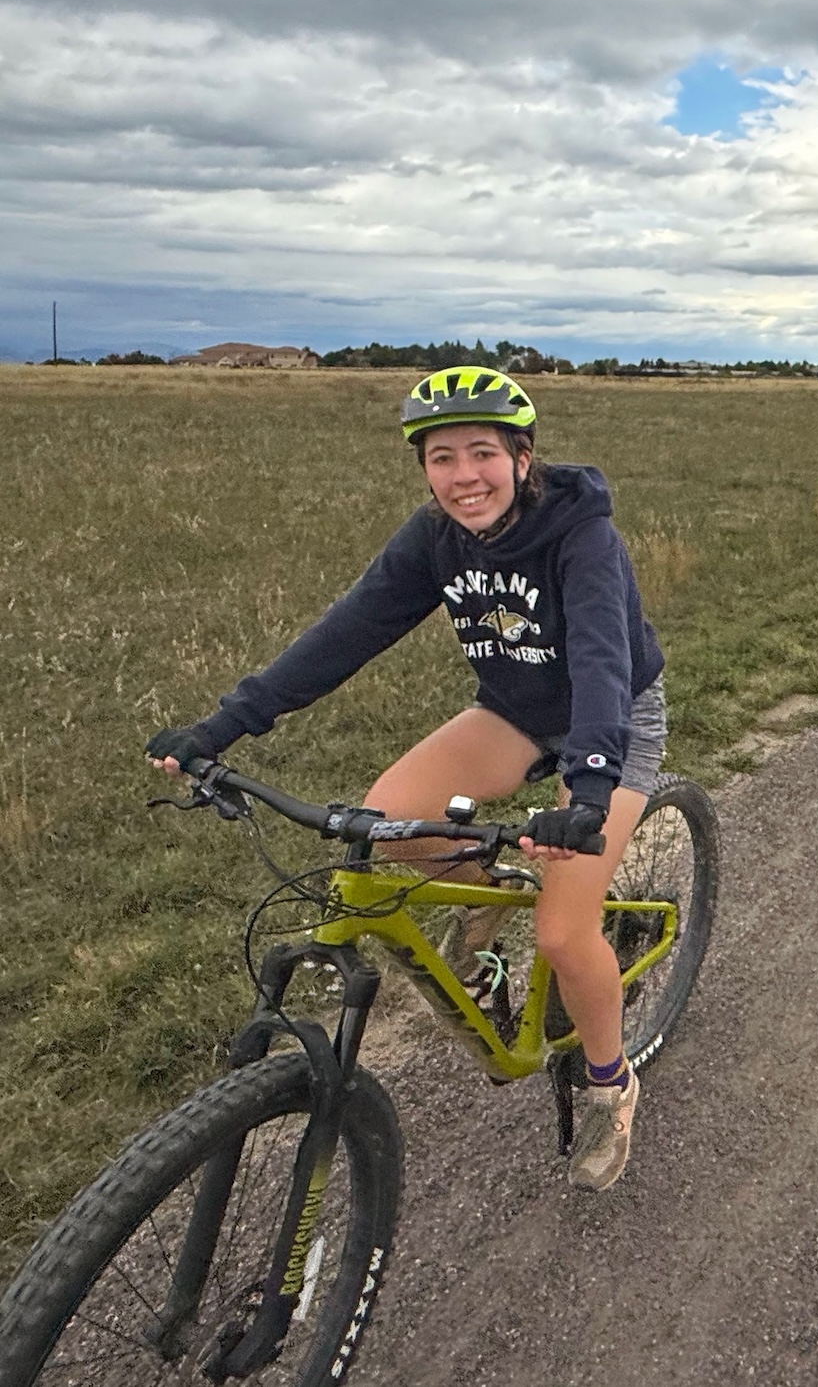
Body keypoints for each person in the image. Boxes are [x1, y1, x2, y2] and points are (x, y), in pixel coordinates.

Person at [146, 366, 669, 1192]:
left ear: (523, 457)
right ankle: (488, 915)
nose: (464, 477)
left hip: (612, 732)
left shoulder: (582, 535)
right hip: (514, 710)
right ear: (423, 468)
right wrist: (225, 724)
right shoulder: (434, 539)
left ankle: (612, 1083)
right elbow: (345, 635)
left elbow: (604, 657)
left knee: (567, 934)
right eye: (441, 458)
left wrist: (591, 790)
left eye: (483, 453)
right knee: (387, 819)